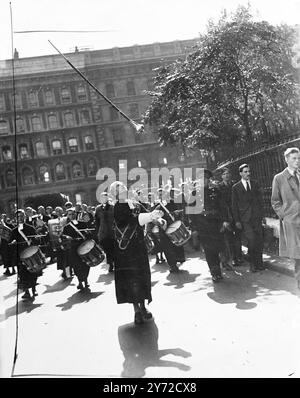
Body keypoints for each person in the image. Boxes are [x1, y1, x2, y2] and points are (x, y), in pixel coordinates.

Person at [111, 181, 163, 325]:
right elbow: (124, 222)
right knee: (130, 280)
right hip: (125, 250)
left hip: (138, 247)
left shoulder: (135, 204)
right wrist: (147, 217)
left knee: (141, 277)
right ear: (115, 194)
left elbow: (147, 215)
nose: (122, 190)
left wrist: (157, 218)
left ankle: (143, 307)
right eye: (118, 190)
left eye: (123, 188)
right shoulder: (116, 208)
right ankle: (136, 311)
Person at [189, 169, 227, 282]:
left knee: (218, 248)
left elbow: (223, 207)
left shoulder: (215, 191)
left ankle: (218, 268)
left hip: (216, 225)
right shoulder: (194, 194)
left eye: (205, 179)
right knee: (209, 251)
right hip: (203, 226)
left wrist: (225, 220)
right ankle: (215, 273)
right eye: (201, 179)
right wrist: (194, 228)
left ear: (208, 179)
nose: (203, 181)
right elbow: (191, 214)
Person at [271, 147, 300, 289]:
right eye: (294, 158)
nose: (297, 161)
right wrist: (286, 215)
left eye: (298, 158)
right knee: (298, 256)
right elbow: (275, 201)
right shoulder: (279, 178)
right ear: (286, 159)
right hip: (292, 222)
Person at [231, 164, 265, 272]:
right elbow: (234, 205)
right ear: (240, 173)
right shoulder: (236, 187)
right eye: (245, 172)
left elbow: (260, 201)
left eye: (249, 171)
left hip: (256, 217)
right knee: (251, 240)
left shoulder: (255, 184)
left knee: (259, 241)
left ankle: (260, 263)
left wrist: (263, 216)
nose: (248, 173)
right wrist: (237, 220)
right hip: (245, 219)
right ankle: (253, 264)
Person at [10, 209, 42, 300]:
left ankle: (34, 289)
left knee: (33, 273)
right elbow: (11, 241)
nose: (20, 218)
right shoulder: (14, 231)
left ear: (24, 217)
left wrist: (34, 239)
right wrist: (13, 242)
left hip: (31, 254)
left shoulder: (30, 228)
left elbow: (37, 239)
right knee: (23, 274)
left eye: (21, 216)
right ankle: (27, 292)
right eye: (18, 217)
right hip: (21, 255)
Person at [218, 167, 242, 268]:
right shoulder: (219, 187)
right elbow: (219, 204)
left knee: (238, 237)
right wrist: (223, 219)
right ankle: (232, 258)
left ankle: (238, 257)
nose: (226, 175)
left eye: (228, 173)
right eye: (224, 174)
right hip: (226, 215)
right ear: (221, 176)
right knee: (229, 238)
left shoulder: (234, 185)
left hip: (236, 213)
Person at [62, 208, 91, 290]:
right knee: (76, 266)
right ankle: (80, 281)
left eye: (73, 214)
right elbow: (64, 239)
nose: (71, 216)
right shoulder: (66, 227)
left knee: (85, 264)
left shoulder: (82, 224)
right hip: (73, 249)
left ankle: (85, 280)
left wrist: (86, 234)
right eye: (69, 214)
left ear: (76, 214)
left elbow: (88, 234)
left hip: (83, 247)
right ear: (68, 216)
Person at [95, 192, 115, 272]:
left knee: (113, 248)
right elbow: (96, 221)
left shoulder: (113, 207)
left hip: (112, 232)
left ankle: (112, 263)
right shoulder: (98, 209)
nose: (104, 199)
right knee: (106, 249)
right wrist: (97, 231)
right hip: (103, 232)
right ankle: (110, 263)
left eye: (105, 197)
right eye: (102, 198)